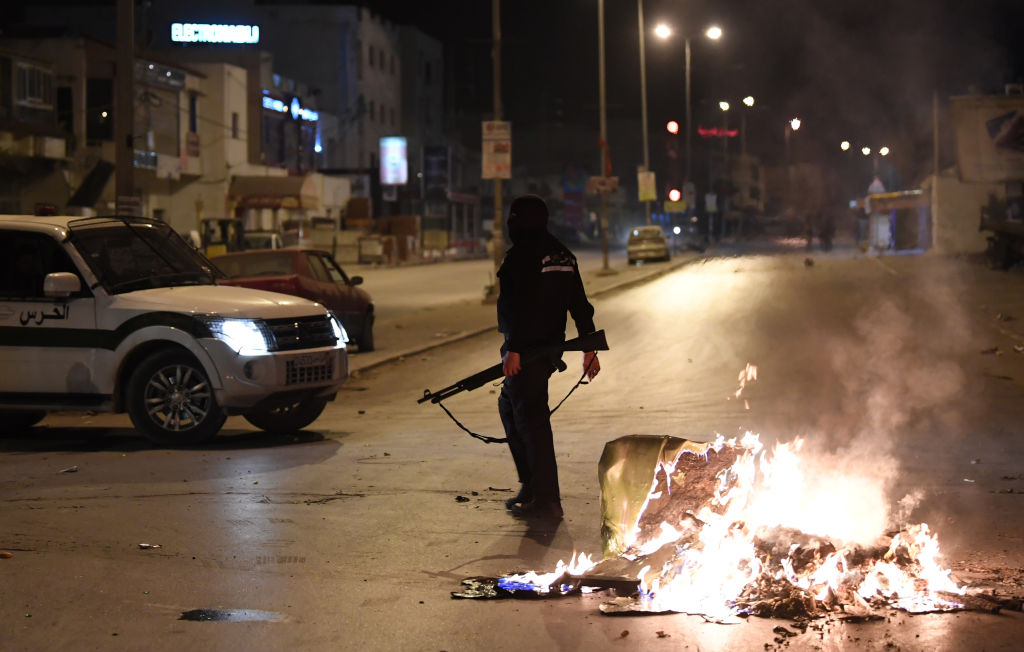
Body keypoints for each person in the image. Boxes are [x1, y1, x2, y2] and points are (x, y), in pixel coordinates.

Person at [496, 194, 602, 522]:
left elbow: (522, 307)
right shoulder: (563, 254)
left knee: (532, 422)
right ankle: (532, 486)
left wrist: (514, 348)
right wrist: (589, 348)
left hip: (527, 351)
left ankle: (546, 499)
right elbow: (580, 305)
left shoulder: (523, 255)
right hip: (546, 349)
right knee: (510, 408)